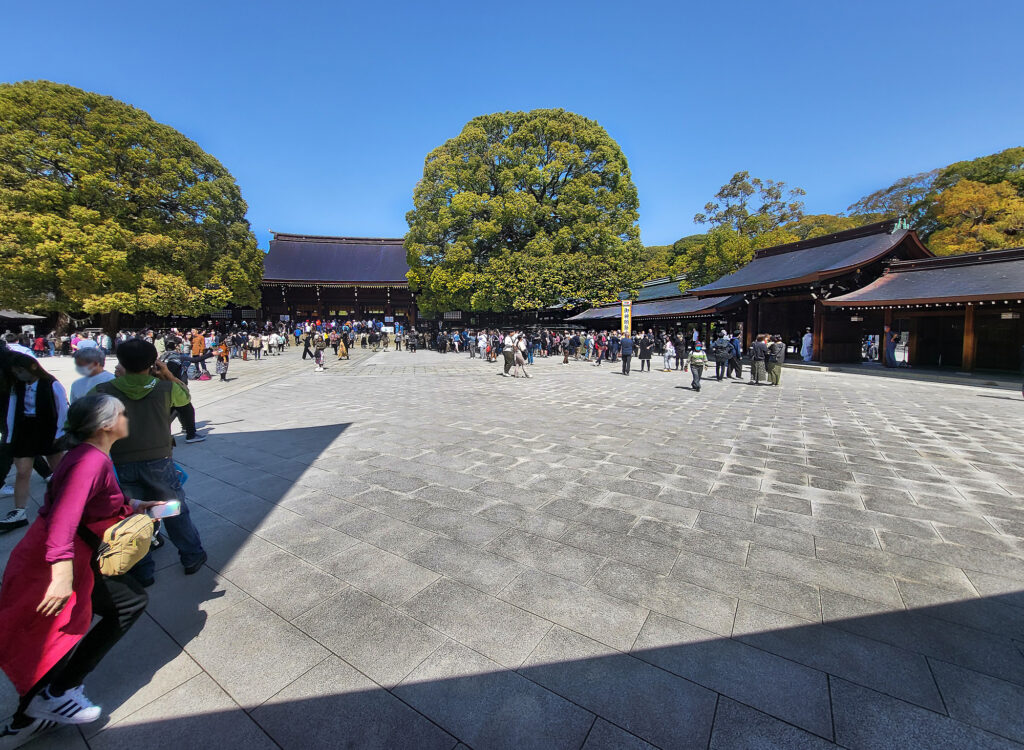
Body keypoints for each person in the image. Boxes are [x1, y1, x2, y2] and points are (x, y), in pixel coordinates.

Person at [0, 395, 162, 743]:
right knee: (52, 633)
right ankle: (52, 698)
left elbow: (95, 502)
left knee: (72, 626)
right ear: (106, 425)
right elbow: (63, 517)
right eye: (121, 413)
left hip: (68, 555)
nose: (125, 417)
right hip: (53, 561)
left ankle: (36, 710)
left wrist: (136, 505)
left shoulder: (89, 457)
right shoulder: (90, 461)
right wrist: (60, 577)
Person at [94, 339, 207, 586]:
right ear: (152, 362)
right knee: (173, 509)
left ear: (120, 362)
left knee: (133, 513)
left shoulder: (103, 391)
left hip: (121, 461)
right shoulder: (164, 388)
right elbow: (184, 396)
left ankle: (142, 569)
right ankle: (191, 556)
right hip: (159, 461)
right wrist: (166, 373)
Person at [0, 355, 68, 534]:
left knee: (58, 470)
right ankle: (19, 511)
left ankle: (67, 501)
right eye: (15, 371)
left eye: (20, 370)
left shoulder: (51, 383)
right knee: (22, 471)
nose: (18, 374)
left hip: (48, 428)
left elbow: (62, 409)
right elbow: (11, 411)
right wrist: (9, 435)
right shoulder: (17, 386)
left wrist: (60, 433)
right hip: (25, 430)